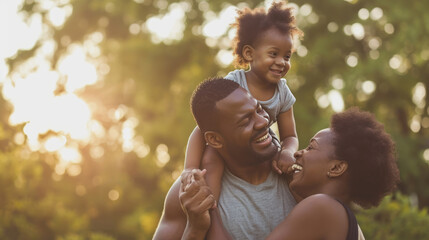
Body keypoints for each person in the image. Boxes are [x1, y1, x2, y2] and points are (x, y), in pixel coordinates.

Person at [197, 107, 400, 240]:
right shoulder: (346, 224)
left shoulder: (321, 208)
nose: (298, 153)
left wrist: (210, 206)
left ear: (336, 168)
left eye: (311, 147)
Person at [182, 1, 304, 205]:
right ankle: (209, 206)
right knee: (211, 159)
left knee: (291, 167)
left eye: (287, 56)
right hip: (229, 145)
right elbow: (202, 130)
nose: (282, 61)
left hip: (263, 143)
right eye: (273, 54)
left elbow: (290, 135)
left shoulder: (283, 92)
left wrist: (287, 152)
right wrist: (189, 168)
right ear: (249, 54)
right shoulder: (234, 84)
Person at [153, 78, 296, 240]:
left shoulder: (298, 173)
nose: (263, 121)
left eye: (259, 109)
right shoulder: (191, 193)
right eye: (246, 120)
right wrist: (196, 229)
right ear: (215, 140)